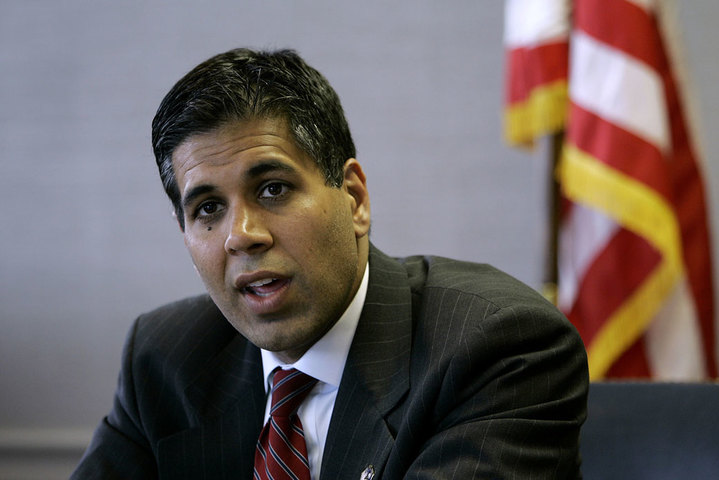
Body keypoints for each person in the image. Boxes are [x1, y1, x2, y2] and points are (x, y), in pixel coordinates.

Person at [71, 48, 588, 479]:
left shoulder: (496, 348)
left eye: (273, 189)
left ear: (355, 199)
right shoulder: (164, 359)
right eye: (208, 208)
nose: (241, 236)